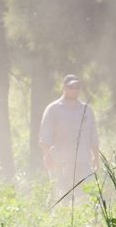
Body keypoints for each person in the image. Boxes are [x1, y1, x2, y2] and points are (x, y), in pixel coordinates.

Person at [39, 74, 100, 205]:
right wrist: (47, 155)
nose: (74, 90)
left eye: (77, 87)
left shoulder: (87, 110)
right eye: (71, 87)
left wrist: (96, 156)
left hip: (83, 160)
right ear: (64, 88)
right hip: (60, 161)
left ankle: (84, 217)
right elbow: (45, 135)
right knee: (61, 196)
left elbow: (93, 135)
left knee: (86, 196)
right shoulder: (53, 109)